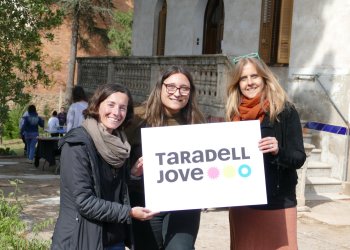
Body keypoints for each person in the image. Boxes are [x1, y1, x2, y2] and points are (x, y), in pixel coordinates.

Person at [51, 83, 157, 250]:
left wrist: (133, 174)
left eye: (123, 108)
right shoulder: (77, 144)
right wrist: (129, 213)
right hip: (82, 240)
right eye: (111, 104)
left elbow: (113, 190)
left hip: (115, 240)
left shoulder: (120, 144)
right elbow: (84, 202)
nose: (116, 112)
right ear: (97, 105)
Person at [225, 55, 306, 250]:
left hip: (277, 202)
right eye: (243, 78)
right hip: (243, 203)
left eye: (255, 76)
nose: (250, 82)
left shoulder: (285, 111)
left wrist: (278, 150)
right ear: (237, 83)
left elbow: (298, 157)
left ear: (265, 78)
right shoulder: (233, 113)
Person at [125, 65, 205, 250]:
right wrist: (134, 173)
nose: (177, 93)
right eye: (171, 87)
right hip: (145, 203)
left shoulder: (197, 121)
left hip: (185, 204)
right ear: (160, 87)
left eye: (184, 88)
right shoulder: (136, 119)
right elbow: (116, 162)